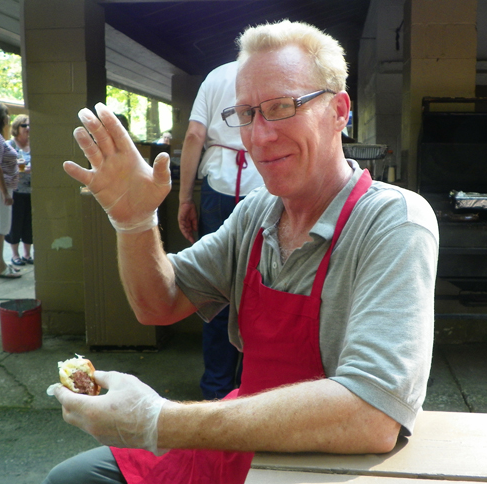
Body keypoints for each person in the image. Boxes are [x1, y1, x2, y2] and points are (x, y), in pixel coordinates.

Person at [45, 20, 439, 484]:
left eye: (281, 107)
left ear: (338, 111)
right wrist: (134, 222)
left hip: (325, 464)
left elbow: (371, 414)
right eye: (246, 114)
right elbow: (159, 303)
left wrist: (157, 420)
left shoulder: (393, 221)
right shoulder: (256, 213)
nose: (260, 136)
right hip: (241, 437)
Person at [178, 61, 263, 399]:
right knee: (261, 287)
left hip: (218, 187)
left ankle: (216, 388)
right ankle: (254, 387)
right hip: (265, 187)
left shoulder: (215, 75)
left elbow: (194, 135)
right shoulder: (271, 70)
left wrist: (185, 198)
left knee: (214, 289)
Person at [0, 102, 21, 279]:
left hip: (0, 186)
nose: (9, 117)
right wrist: (5, 193)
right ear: (2, 118)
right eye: (7, 114)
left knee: (0, 225)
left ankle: (2, 264)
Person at [5, 114, 33, 266]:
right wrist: (19, 169)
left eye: (29, 125)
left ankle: (27, 254)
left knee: (29, 223)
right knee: (15, 223)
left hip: (32, 191)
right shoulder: (10, 145)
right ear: (16, 128)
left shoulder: (35, 144)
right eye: (24, 125)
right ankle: (15, 255)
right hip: (15, 190)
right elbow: (2, 166)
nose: (27, 128)